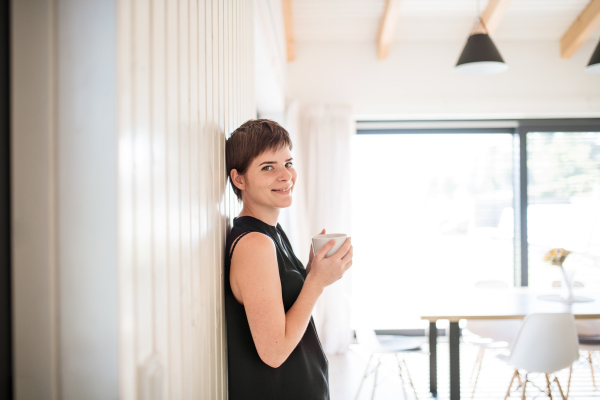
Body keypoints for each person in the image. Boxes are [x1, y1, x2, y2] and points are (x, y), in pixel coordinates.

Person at [224, 119, 353, 399]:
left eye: (288, 163)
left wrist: (312, 271)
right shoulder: (255, 243)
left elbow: (281, 305)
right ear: (239, 179)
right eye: (268, 167)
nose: (286, 176)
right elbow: (274, 351)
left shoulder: (273, 233)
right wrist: (316, 283)